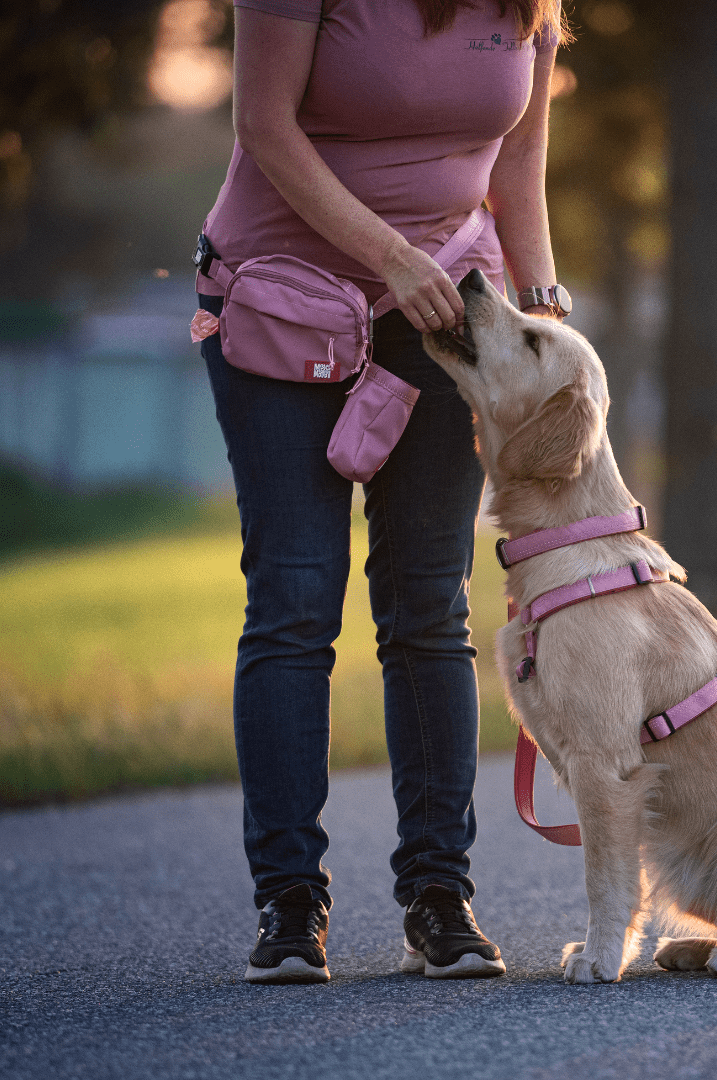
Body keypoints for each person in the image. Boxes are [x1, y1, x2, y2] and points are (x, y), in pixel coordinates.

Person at [196, 0, 570, 983]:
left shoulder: (530, 5)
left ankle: (439, 896)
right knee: (293, 599)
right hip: (282, 301)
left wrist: (541, 307)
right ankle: (290, 903)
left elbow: (519, 158)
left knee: (429, 605)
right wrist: (392, 257)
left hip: (447, 312)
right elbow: (263, 125)